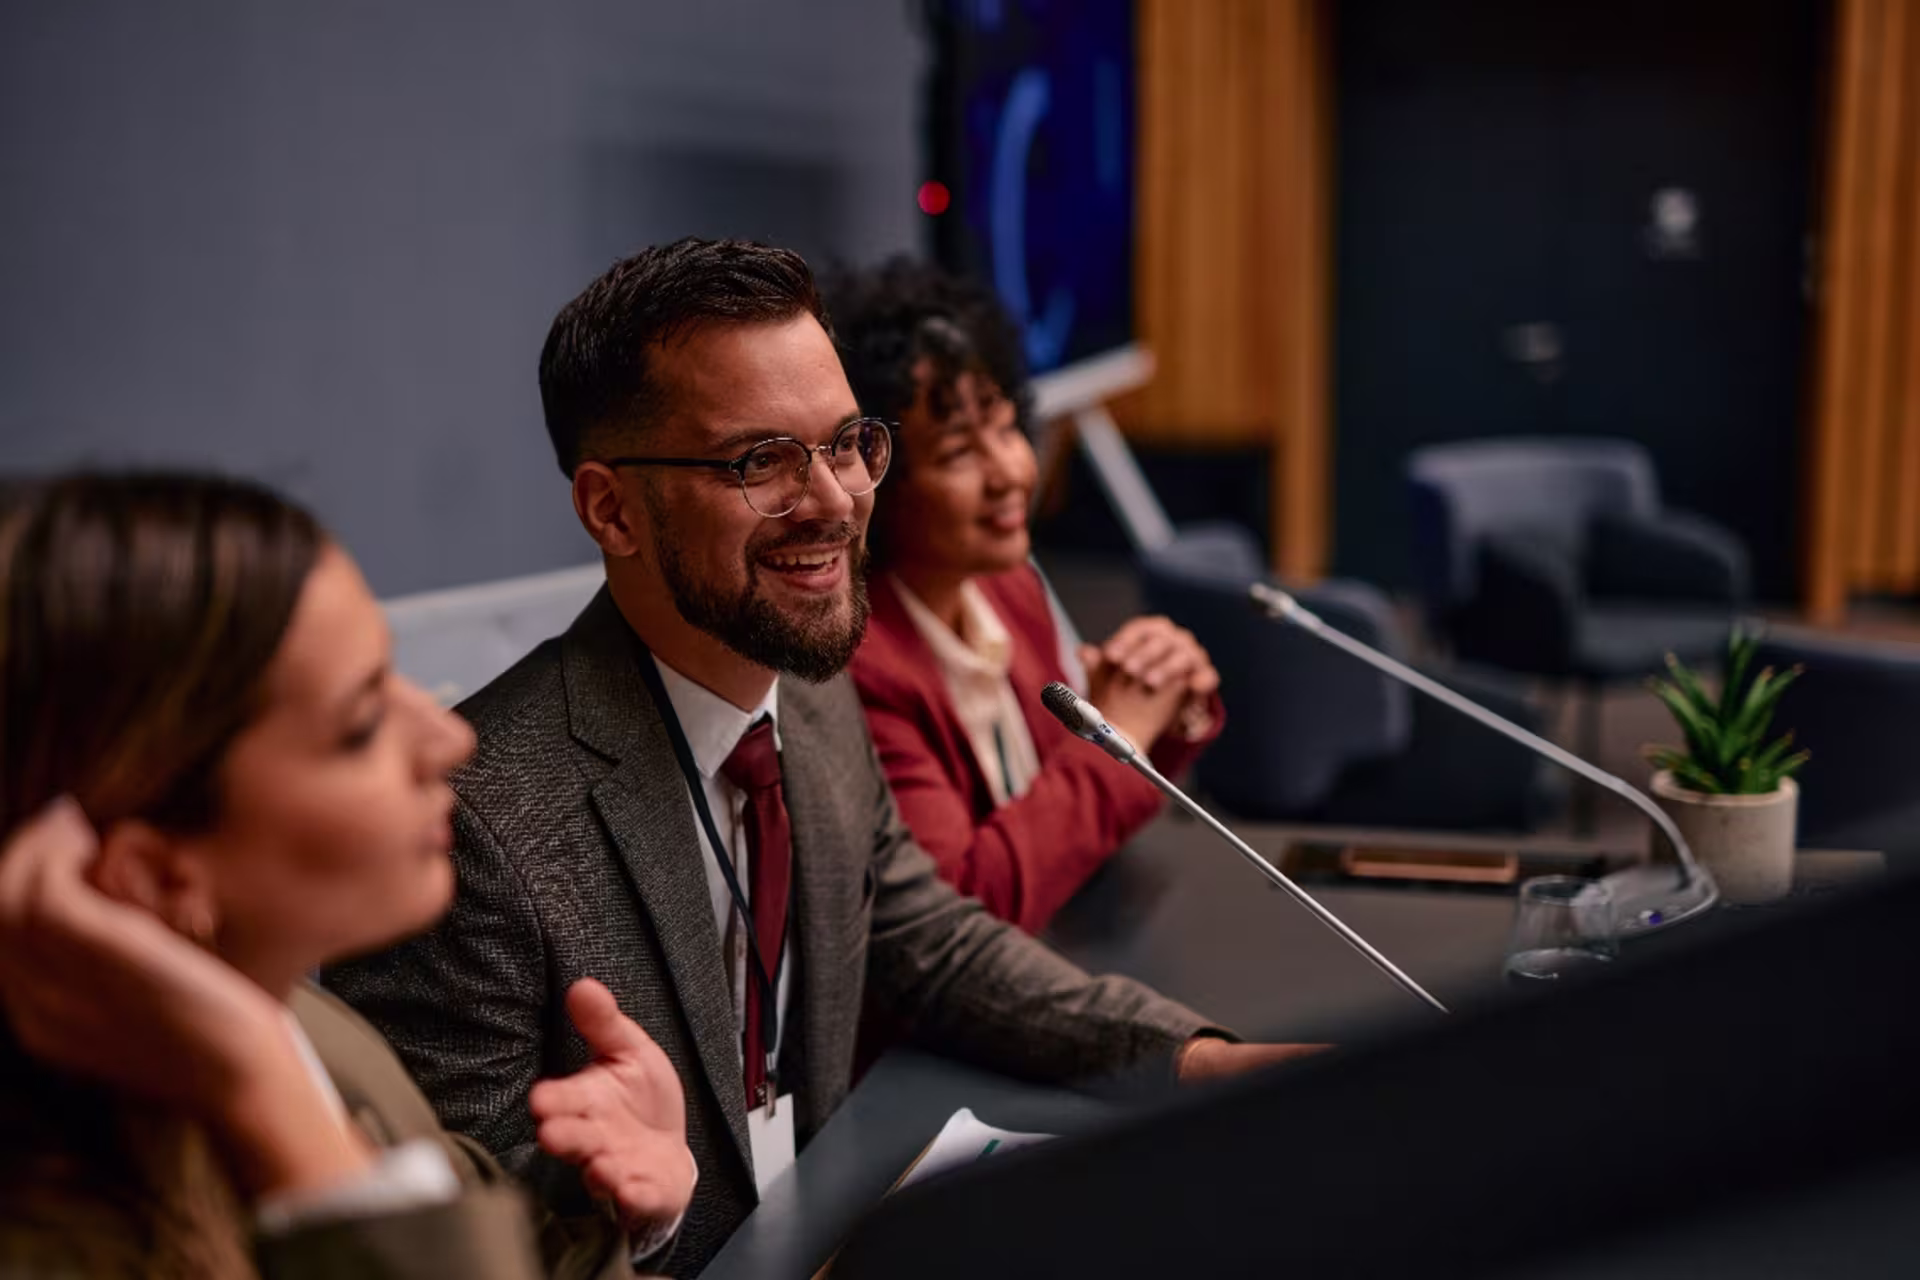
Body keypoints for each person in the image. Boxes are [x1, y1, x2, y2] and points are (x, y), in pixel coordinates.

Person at [325, 237, 1321, 1278]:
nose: (837, 500)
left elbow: (927, 936)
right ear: (610, 507)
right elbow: (440, 1247)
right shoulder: (470, 828)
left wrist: (1206, 1060)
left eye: (846, 442)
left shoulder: (805, 683)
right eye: (760, 460)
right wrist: (639, 1217)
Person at [0, 473, 694, 1279]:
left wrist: (614, 1209)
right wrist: (273, 1106)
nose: (447, 739)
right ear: (154, 877)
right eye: (361, 723)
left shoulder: (314, 1035)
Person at [825, 258, 1225, 934]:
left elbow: (1057, 808)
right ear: (874, 479)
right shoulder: (859, 665)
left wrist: (1159, 701)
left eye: (1008, 429)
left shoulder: (1006, 587)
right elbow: (969, 903)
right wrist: (1117, 734)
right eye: (958, 453)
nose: (1010, 472)